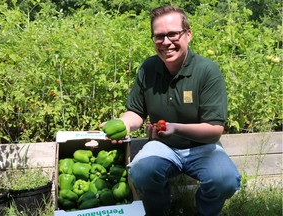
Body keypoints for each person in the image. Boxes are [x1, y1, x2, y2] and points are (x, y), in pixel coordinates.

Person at [102, 5, 241, 216]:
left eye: (173, 34)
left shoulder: (206, 71)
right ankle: (159, 211)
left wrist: (175, 128)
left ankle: (205, 211)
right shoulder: (148, 69)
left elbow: (214, 130)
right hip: (163, 146)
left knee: (225, 179)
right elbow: (136, 112)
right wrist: (124, 124)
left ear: (188, 34)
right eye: (159, 36)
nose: (166, 42)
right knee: (141, 172)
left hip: (202, 147)